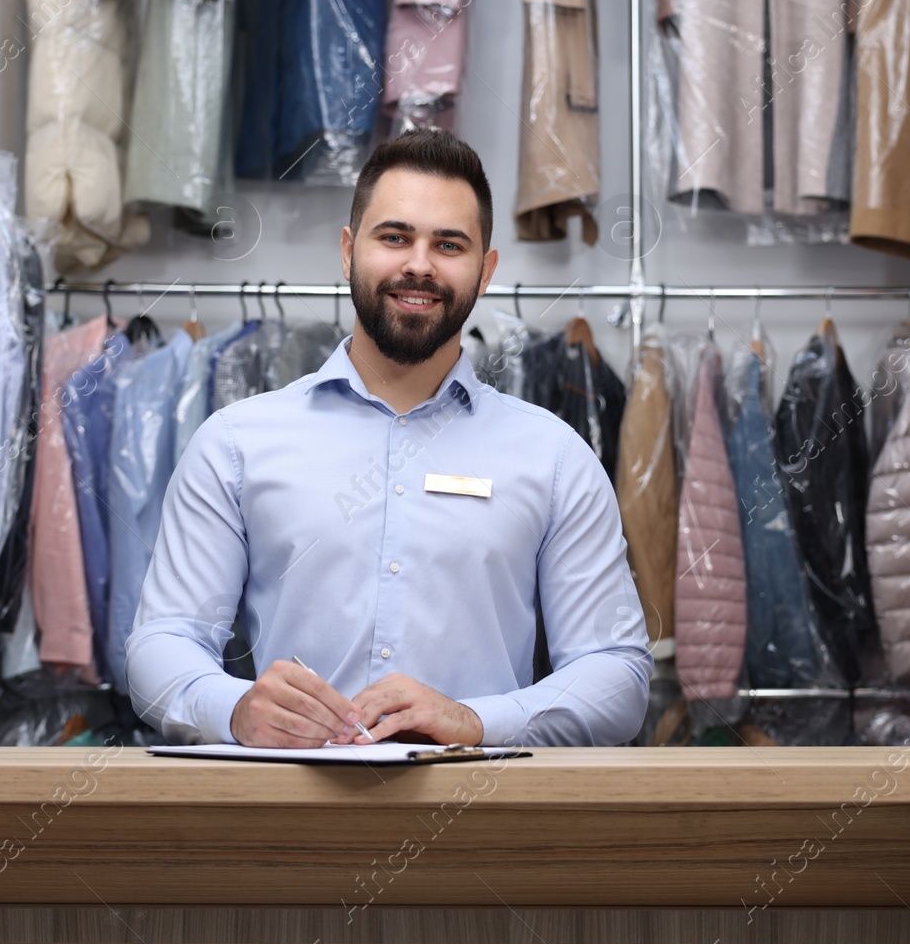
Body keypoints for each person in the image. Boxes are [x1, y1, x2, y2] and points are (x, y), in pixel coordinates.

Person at [126, 130, 650, 747]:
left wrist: (477, 721)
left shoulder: (556, 458)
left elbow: (618, 673)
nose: (419, 265)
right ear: (348, 251)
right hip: (283, 827)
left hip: (474, 830)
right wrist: (236, 709)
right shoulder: (235, 444)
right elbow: (160, 646)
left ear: (486, 271)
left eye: (448, 245)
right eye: (394, 237)